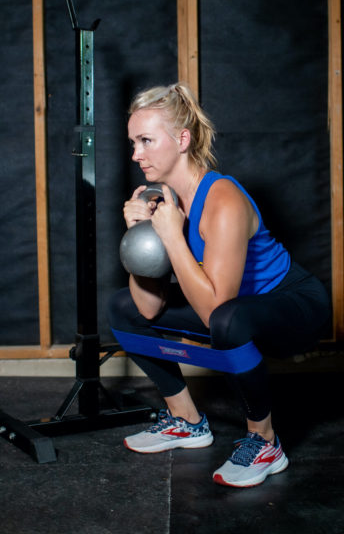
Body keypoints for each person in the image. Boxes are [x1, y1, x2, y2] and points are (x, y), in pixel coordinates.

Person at [107, 83, 330, 488]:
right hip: (234, 310)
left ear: (182, 139)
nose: (136, 154)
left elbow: (215, 313)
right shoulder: (163, 199)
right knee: (122, 308)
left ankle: (264, 442)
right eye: (133, 143)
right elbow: (147, 309)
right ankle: (186, 420)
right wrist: (139, 235)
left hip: (293, 304)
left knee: (228, 322)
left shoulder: (223, 199)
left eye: (146, 141)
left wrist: (173, 236)